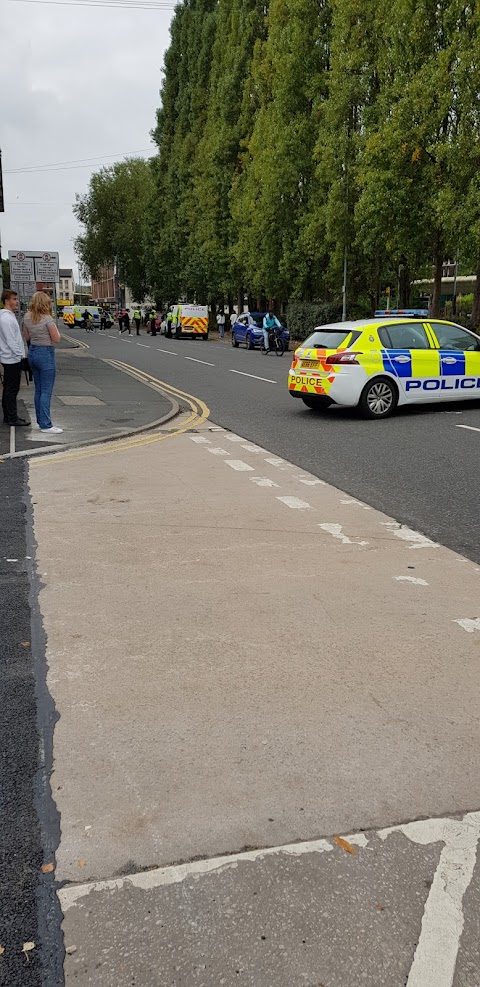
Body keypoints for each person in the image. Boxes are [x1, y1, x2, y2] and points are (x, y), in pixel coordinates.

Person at [23, 291, 62, 434]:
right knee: (46, 391)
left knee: (38, 390)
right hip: (45, 353)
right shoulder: (47, 319)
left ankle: (40, 421)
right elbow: (56, 339)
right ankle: (46, 425)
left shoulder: (27, 318)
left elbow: (26, 336)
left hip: (33, 352)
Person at [0, 289, 29, 426]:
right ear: (6, 301)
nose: (17, 302)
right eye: (14, 299)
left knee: (8, 388)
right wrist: (21, 356)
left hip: (11, 358)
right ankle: (12, 418)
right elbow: (11, 341)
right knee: (12, 389)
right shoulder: (6, 318)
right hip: (11, 358)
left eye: (16, 299)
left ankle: (9, 416)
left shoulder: (8, 316)